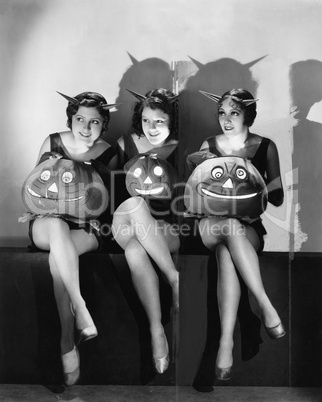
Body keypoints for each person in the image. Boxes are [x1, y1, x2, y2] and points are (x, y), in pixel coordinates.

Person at [24, 91, 118, 386]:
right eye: (80, 119)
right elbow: (35, 191)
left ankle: (66, 339)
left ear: (104, 123)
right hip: (47, 223)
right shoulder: (52, 142)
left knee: (58, 259)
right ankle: (80, 306)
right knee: (54, 225)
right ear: (71, 118)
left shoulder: (111, 152)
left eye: (94, 122)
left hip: (87, 229)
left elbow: (112, 206)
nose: (86, 128)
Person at [195, 88, 285, 381]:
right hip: (210, 224)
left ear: (248, 114)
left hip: (248, 227)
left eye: (234, 113)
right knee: (227, 229)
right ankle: (265, 305)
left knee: (226, 251)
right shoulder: (208, 145)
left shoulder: (265, 147)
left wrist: (251, 179)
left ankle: (225, 344)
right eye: (222, 113)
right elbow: (194, 196)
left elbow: (278, 198)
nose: (226, 119)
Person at [112, 88, 180, 374]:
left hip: (162, 229)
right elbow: (111, 191)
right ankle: (175, 279)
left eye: (160, 121)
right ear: (139, 119)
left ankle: (156, 330)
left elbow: (186, 197)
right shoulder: (123, 143)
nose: (152, 128)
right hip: (124, 221)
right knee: (135, 202)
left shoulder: (180, 147)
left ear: (170, 122)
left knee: (136, 250)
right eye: (147, 120)